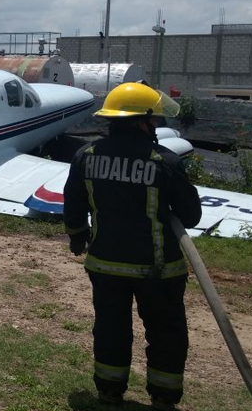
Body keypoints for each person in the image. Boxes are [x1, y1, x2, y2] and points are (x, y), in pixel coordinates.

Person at [63, 82, 202, 411]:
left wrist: (77, 235)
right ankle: (163, 397)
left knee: (111, 329)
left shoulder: (86, 156)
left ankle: (109, 392)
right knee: (166, 334)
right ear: (142, 120)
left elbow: (73, 204)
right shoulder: (164, 161)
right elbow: (192, 216)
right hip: (158, 270)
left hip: (105, 266)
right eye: (153, 121)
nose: (155, 126)